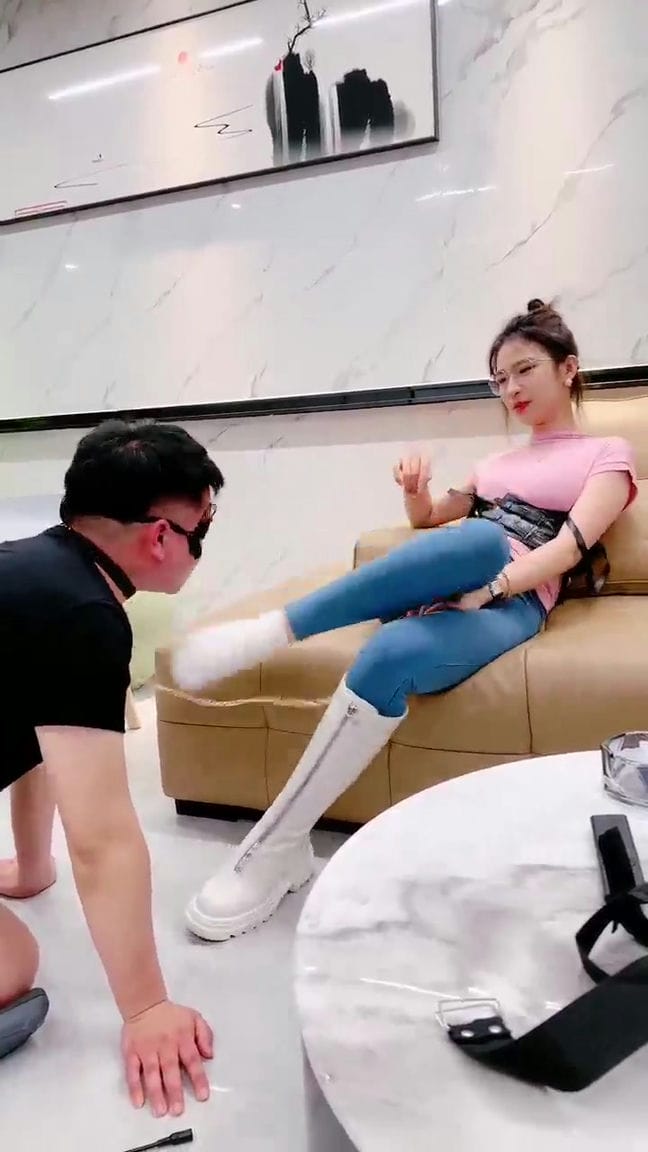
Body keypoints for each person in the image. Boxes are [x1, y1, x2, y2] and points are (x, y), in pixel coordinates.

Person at [171, 299, 637, 943]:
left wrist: (492, 588)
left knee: (390, 654)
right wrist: (415, 488)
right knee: (475, 538)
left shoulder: (608, 453)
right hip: (453, 572)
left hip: (513, 601)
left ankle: (276, 847)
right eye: (499, 379)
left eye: (524, 370)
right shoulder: (494, 466)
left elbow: (567, 549)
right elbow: (428, 521)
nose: (511, 389)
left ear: (568, 368)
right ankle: (273, 634)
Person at [0, 419, 224, 1117]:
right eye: (202, 528)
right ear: (161, 536)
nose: (200, 546)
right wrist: (147, 1007)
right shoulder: (81, 615)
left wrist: (32, 865)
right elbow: (102, 838)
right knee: (10, 965)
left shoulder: (35, 572)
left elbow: (39, 742)